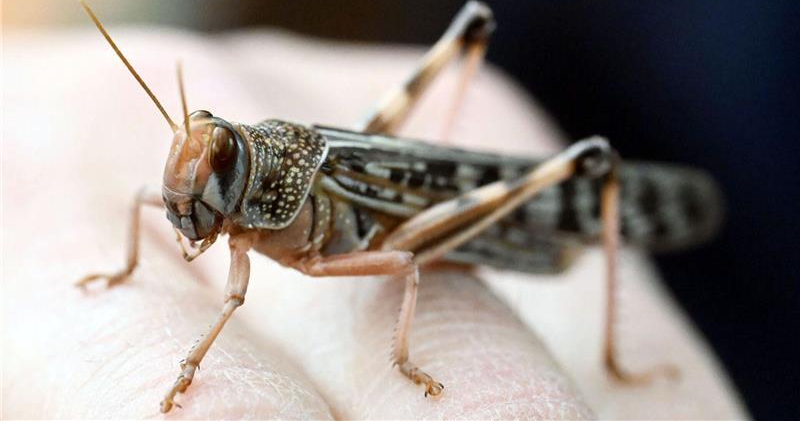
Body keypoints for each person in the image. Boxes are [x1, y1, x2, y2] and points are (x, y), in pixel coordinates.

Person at [2, 27, 747, 419]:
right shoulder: (241, 194)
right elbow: (151, 200)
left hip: (464, 217)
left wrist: (404, 362)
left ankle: (615, 363)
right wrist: (128, 269)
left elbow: (403, 263)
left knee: (580, 166)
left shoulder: (285, 189)